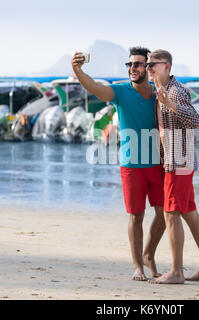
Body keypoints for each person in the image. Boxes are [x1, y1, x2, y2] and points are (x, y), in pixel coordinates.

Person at [71, 47, 166, 281]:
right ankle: (138, 266)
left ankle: (149, 255)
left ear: (148, 67)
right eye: (130, 64)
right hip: (131, 166)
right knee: (136, 216)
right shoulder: (121, 92)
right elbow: (95, 88)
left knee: (165, 215)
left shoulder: (157, 92)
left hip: (157, 164)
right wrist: (77, 70)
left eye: (138, 64)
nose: (132, 68)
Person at [146, 49, 199, 284]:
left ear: (166, 66)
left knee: (171, 213)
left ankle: (177, 271)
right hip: (176, 161)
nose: (148, 69)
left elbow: (196, 120)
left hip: (178, 162)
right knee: (188, 211)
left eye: (152, 65)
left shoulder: (176, 92)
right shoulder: (162, 91)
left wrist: (170, 103)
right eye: (147, 65)